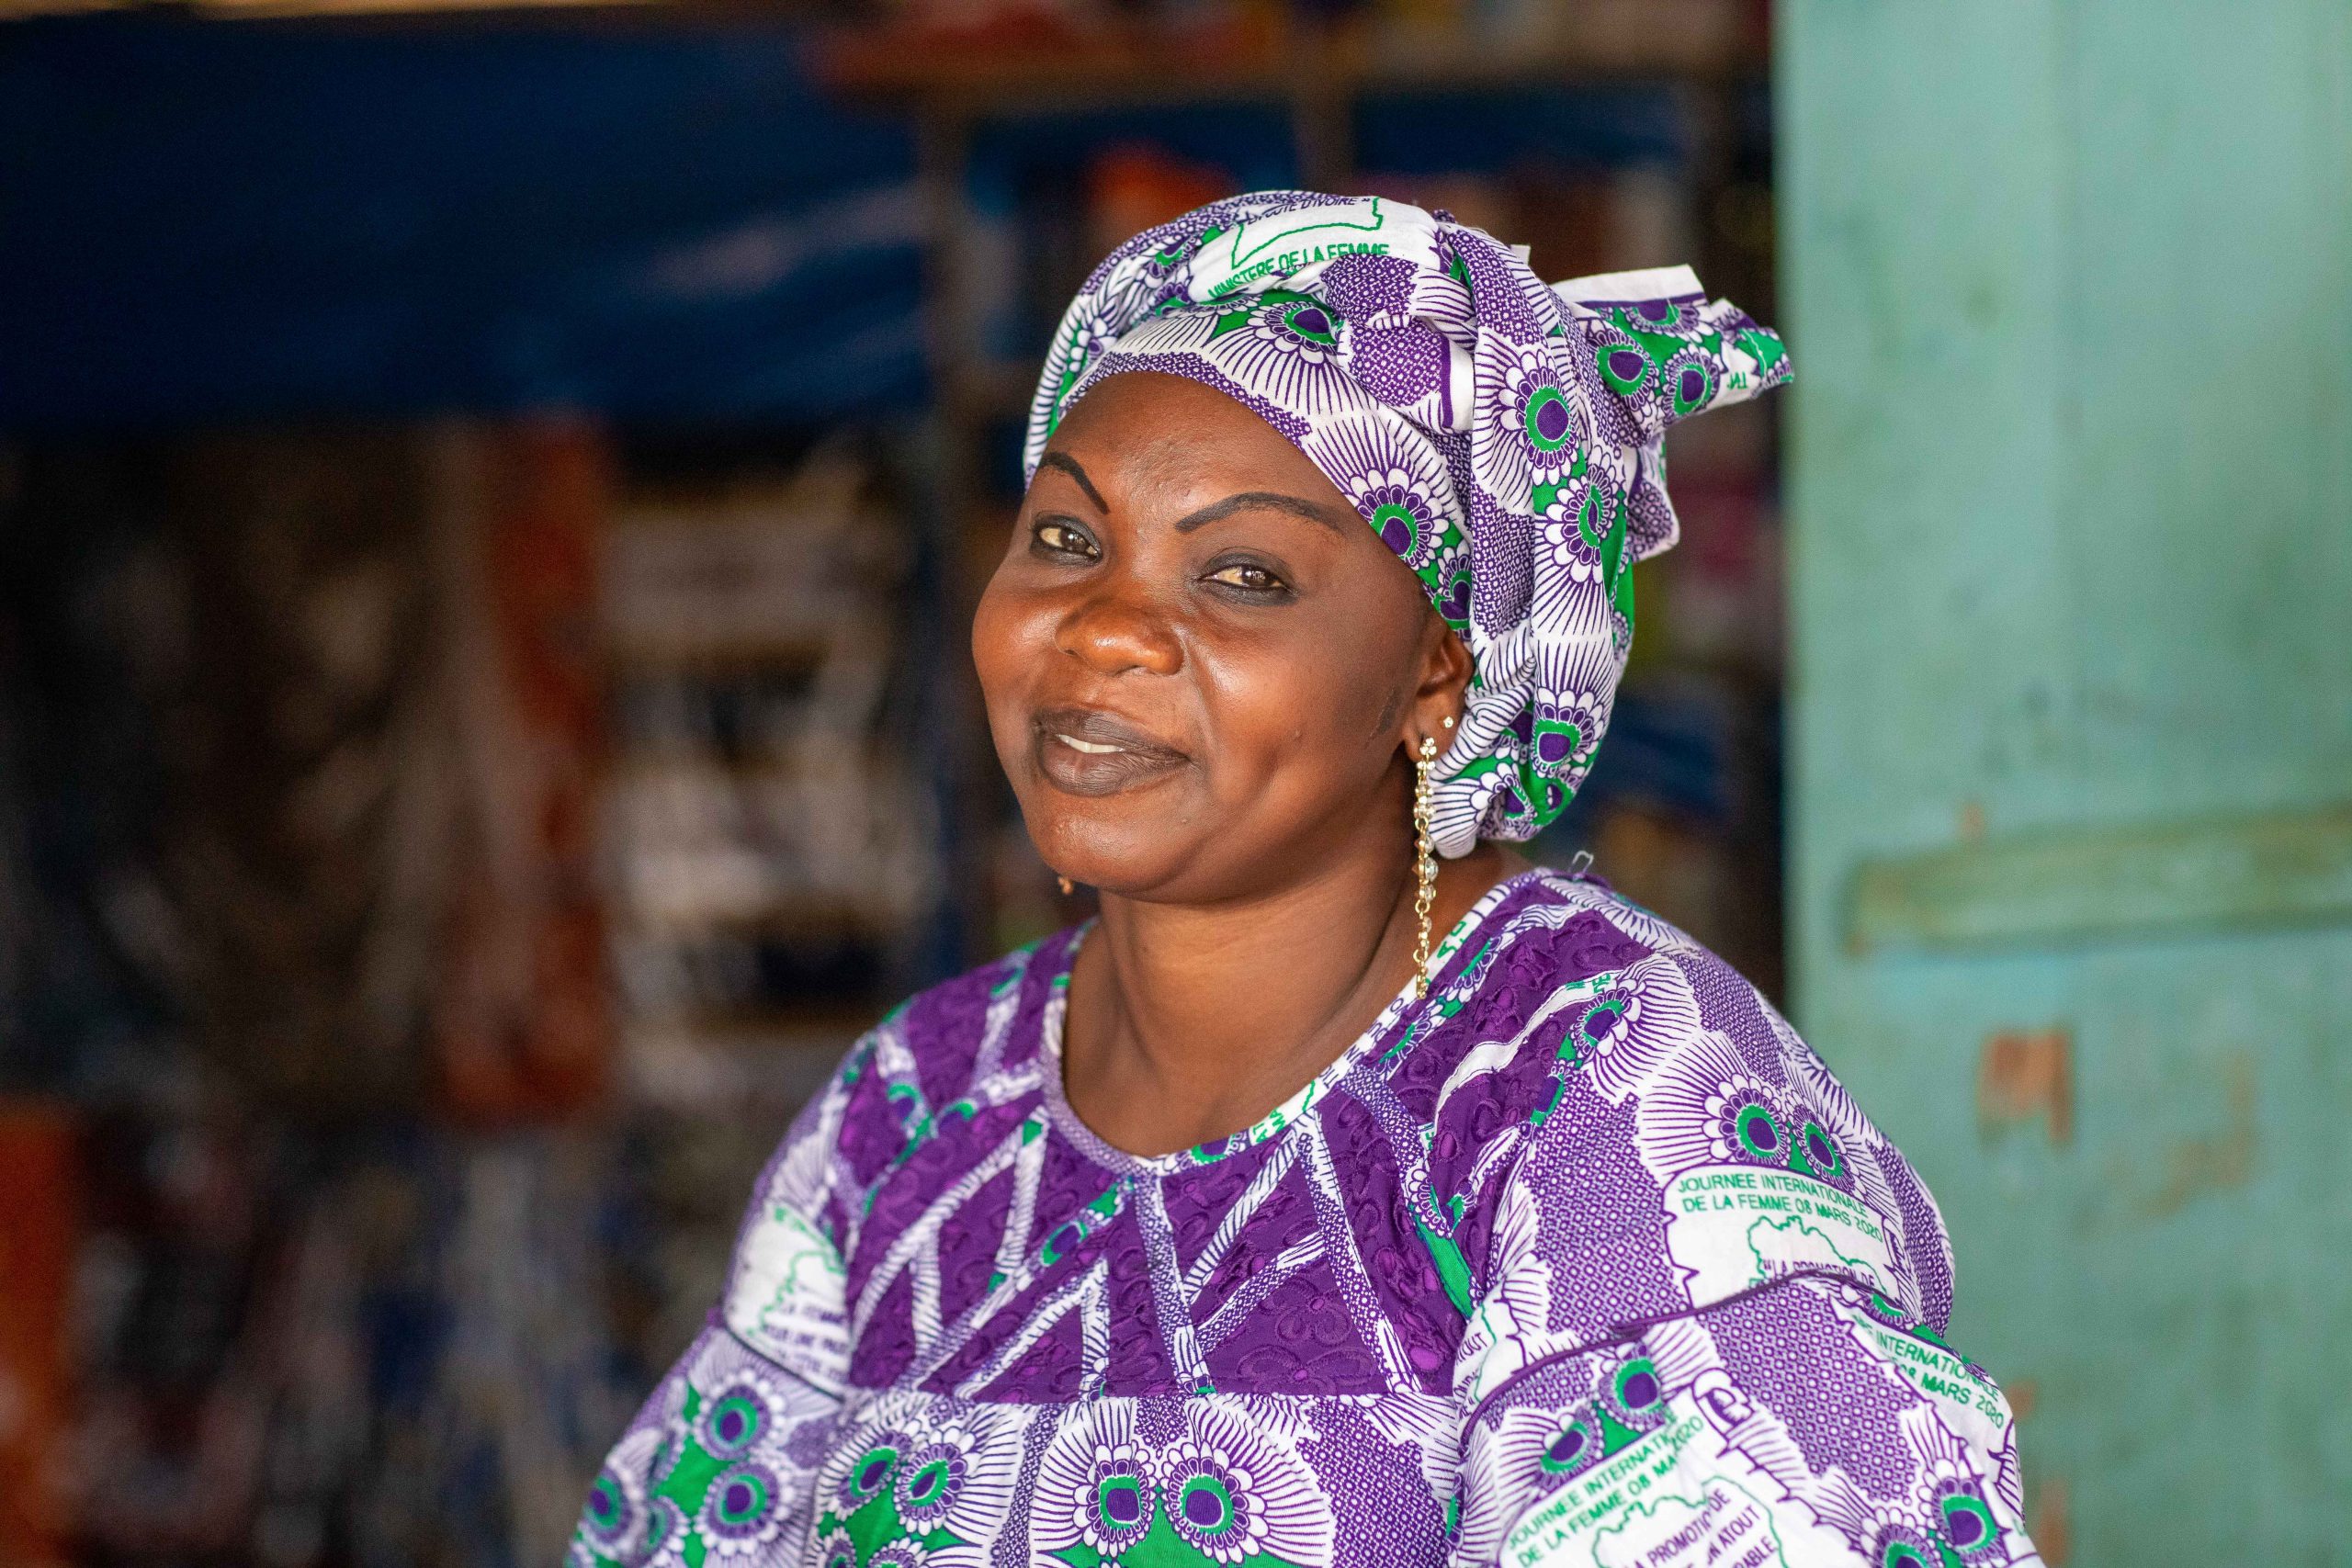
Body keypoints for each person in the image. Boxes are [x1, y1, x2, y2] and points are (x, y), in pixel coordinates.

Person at [570, 192, 2039, 1568]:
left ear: (1436, 679)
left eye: (1244, 577)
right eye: (1066, 539)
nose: (1104, 632)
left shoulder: (1609, 1097)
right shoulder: (917, 1112)